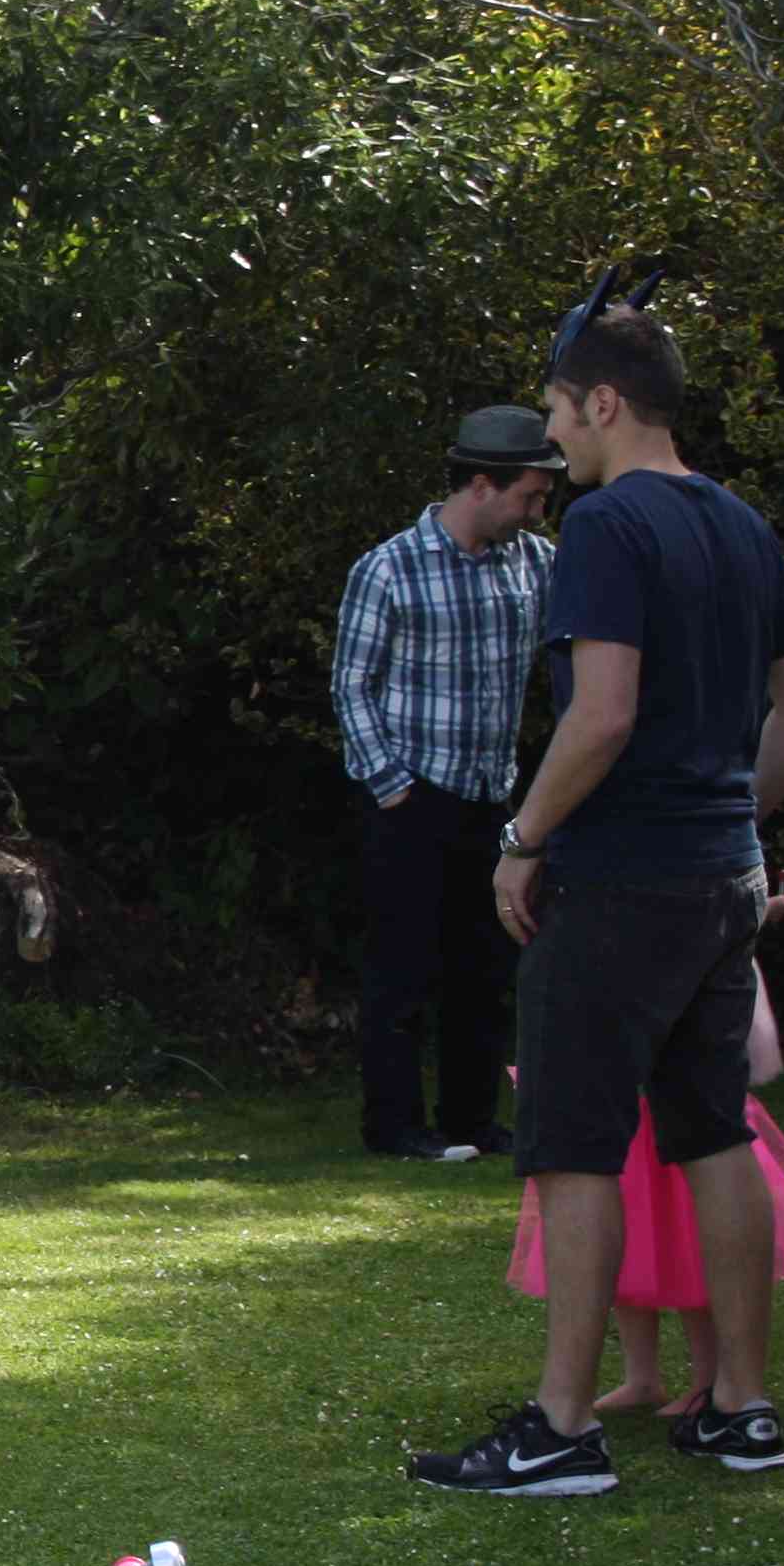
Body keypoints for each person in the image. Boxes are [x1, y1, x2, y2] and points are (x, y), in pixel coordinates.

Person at [413, 279, 784, 1497]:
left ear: (604, 402)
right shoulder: (742, 524)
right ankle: (740, 1409)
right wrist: (730, 819)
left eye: (558, 409)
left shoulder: (606, 526)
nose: (553, 437)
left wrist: (524, 838)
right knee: (713, 1129)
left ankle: (561, 1430)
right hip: (721, 880)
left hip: (621, 884)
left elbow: (601, 714)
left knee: (574, 1145)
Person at [332, 407, 560, 1163]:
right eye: (529, 495)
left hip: (493, 797)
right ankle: (394, 1128)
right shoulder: (389, 567)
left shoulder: (534, 562)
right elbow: (352, 685)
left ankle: (472, 1120)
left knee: (485, 967)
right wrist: (390, 784)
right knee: (401, 970)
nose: (538, 510)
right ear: (481, 485)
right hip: (411, 797)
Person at [505, 935, 784, 1413]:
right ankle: (642, 1375)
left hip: (667, 1085)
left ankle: (710, 1377)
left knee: (687, 1241)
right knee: (628, 1242)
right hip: (618, 1087)